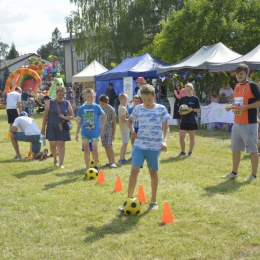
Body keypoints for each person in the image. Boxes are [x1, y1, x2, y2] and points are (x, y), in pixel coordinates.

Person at [118, 84, 170, 213]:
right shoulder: (138, 109)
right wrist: (132, 130)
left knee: (153, 172)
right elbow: (130, 121)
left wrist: (165, 141)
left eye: (149, 99)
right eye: (144, 99)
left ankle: (153, 201)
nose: (146, 102)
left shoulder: (161, 109)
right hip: (139, 145)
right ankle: (128, 200)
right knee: (134, 169)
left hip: (154, 146)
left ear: (154, 96)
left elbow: (166, 128)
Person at [223, 64, 260, 181]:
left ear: (246, 74)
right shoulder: (237, 86)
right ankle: (234, 172)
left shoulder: (252, 85)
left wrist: (247, 107)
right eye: (237, 74)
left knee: (253, 150)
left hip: (249, 123)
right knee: (235, 149)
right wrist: (231, 107)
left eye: (241, 74)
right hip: (237, 123)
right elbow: (238, 104)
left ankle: (253, 175)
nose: (239, 76)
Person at [41, 86, 74, 168]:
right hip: (51, 126)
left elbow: (72, 116)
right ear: (56, 94)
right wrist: (43, 127)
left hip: (62, 126)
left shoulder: (66, 103)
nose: (61, 96)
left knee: (61, 144)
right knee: (52, 144)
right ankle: (55, 159)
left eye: (63, 95)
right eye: (60, 95)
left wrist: (64, 117)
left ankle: (61, 163)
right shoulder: (50, 102)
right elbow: (45, 115)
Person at [76, 88, 107, 171]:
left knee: (95, 149)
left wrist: (102, 126)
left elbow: (104, 116)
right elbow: (79, 120)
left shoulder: (96, 107)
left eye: (91, 97)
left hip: (94, 132)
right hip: (85, 132)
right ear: (85, 97)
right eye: (88, 97)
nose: (90, 98)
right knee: (86, 149)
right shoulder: (82, 108)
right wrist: (76, 133)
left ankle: (96, 165)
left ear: (94, 96)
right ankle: (87, 167)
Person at [178, 83, 200, 157]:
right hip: (184, 120)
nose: (187, 91)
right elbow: (180, 109)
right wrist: (180, 112)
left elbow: (198, 109)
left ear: (192, 90)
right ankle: (183, 151)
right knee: (181, 137)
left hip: (192, 120)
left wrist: (192, 110)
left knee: (191, 137)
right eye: (186, 90)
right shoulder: (183, 98)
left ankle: (190, 151)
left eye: (189, 90)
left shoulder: (195, 99)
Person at [98, 94, 117, 168]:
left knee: (109, 146)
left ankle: (113, 162)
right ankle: (109, 162)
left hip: (109, 130)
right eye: (100, 103)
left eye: (103, 104)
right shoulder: (99, 108)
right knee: (105, 146)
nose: (101, 105)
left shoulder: (111, 109)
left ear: (107, 102)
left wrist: (113, 134)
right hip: (102, 131)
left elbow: (114, 122)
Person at [6, 87, 22, 154]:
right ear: (18, 90)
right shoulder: (18, 94)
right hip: (13, 108)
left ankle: (11, 134)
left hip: (8, 108)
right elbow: (19, 104)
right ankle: (16, 134)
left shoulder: (9, 93)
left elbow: (7, 101)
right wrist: (20, 112)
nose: (20, 92)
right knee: (16, 122)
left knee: (11, 122)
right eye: (20, 91)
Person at [117, 93, 130, 165]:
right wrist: (130, 119)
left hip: (124, 128)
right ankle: (121, 159)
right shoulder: (123, 108)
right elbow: (122, 119)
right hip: (124, 128)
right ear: (124, 99)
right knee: (124, 144)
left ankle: (123, 158)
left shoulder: (120, 106)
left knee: (125, 143)